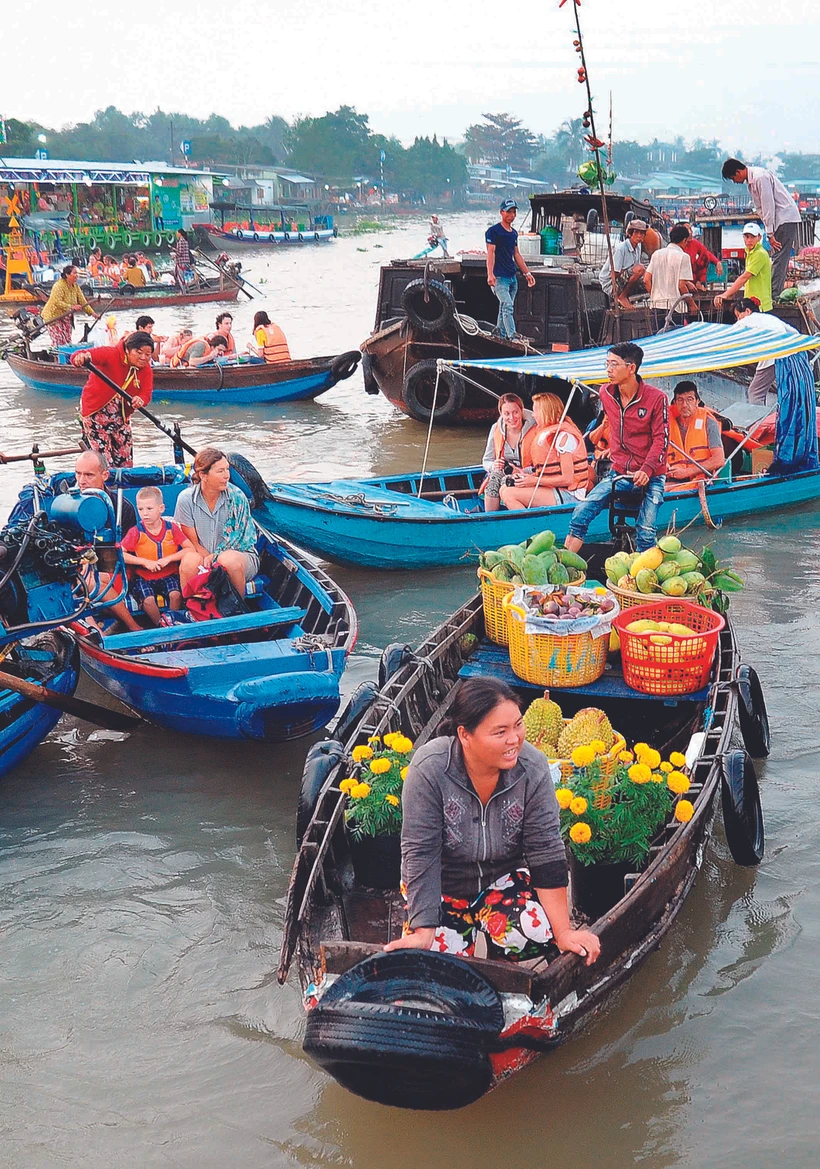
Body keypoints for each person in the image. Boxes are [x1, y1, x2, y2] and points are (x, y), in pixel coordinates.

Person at [384, 677, 600, 965]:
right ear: (465, 735)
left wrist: (563, 932)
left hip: (503, 879)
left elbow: (546, 851)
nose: (515, 740)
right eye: (500, 732)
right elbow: (420, 854)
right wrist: (424, 930)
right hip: (443, 885)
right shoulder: (430, 769)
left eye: (518, 725)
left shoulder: (532, 768)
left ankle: (502, 962)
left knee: (535, 932)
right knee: (433, 962)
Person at [564, 342, 668, 554]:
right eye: (607, 364)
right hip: (618, 473)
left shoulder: (657, 399)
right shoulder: (605, 393)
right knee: (580, 514)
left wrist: (647, 469)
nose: (608, 370)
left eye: (614, 364)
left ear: (631, 368)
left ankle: (640, 579)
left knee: (646, 533)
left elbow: (661, 441)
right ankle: (565, 567)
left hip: (652, 476)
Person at [174, 447, 259, 596]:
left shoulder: (238, 497)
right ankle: (193, 610)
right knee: (189, 562)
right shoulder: (186, 499)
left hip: (240, 555)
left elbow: (241, 541)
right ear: (203, 475)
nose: (227, 475)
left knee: (228, 560)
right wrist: (209, 558)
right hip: (203, 554)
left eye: (227, 469)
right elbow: (192, 542)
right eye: (220, 471)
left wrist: (216, 557)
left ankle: (236, 608)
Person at [73, 449, 141, 632]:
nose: (81, 481)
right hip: (80, 569)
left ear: (104, 475)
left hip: (115, 570)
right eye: (78, 474)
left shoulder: (122, 508)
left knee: (90, 581)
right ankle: (94, 631)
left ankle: (132, 626)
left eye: (88, 475)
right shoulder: (70, 505)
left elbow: (126, 552)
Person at [70, 331, 155, 468]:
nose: (143, 358)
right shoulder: (111, 354)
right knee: (105, 462)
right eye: (139, 353)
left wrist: (140, 399)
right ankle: (107, 485)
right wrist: (80, 358)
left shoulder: (146, 370)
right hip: (95, 413)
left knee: (125, 460)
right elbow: (78, 355)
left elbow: (146, 393)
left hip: (121, 416)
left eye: (148, 354)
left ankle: (124, 486)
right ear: (128, 350)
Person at [721, 158, 801, 298]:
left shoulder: (759, 178)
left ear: (738, 172)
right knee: (778, 257)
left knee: (779, 257)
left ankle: (773, 295)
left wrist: (769, 234)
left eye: (733, 178)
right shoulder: (752, 181)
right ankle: (773, 291)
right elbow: (761, 209)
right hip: (779, 219)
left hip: (784, 218)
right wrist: (768, 230)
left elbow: (768, 206)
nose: (735, 181)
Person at [499, 392, 588, 510]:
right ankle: (531, 522)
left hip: (570, 494)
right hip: (555, 488)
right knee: (504, 488)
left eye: (535, 411)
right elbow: (547, 470)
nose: (533, 416)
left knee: (509, 494)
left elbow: (568, 479)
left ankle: (531, 526)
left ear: (545, 412)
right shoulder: (548, 434)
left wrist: (535, 481)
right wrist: (524, 474)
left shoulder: (563, 437)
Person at [120, 486, 191, 626]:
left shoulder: (172, 528)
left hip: (169, 573)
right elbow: (120, 554)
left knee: (175, 595)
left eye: (149, 509)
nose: (145, 513)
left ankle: (172, 623)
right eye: (140, 509)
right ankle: (160, 626)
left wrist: (168, 559)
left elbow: (189, 549)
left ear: (161, 508)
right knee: (148, 600)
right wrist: (144, 562)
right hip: (144, 576)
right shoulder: (136, 532)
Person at [485, 198, 536, 340]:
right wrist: (490, 274)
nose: (512, 215)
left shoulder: (513, 233)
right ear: (502, 212)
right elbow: (491, 252)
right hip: (500, 278)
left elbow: (516, 253)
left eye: (514, 212)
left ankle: (500, 334)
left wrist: (527, 273)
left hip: (512, 276)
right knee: (507, 305)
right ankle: (512, 335)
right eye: (509, 212)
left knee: (504, 307)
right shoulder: (493, 231)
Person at [733, 296, 798, 404]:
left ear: (747, 311)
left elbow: (732, 332)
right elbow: (794, 332)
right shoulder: (769, 318)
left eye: (739, 315)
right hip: (791, 354)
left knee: (755, 392)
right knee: (788, 391)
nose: (738, 319)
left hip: (774, 355)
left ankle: (759, 419)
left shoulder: (748, 319)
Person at [480, 393, 538, 512]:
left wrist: (520, 471)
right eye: (506, 414)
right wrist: (493, 465)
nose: (511, 418)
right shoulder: (495, 429)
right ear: (501, 414)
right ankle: (490, 518)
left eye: (515, 412)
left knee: (507, 481)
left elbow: (542, 464)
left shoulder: (536, 429)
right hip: (502, 471)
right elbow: (486, 460)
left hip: (529, 473)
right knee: (495, 479)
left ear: (521, 411)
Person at [665, 382, 726, 488]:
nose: (684, 405)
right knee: (654, 491)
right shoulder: (665, 424)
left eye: (689, 399)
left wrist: (687, 472)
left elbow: (719, 459)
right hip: (673, 479)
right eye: (680, 400)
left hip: (702, 479)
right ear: (674, 403)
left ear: (697, 402)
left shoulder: (709, 422)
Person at [714, 223, 772, 313]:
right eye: (747, 237)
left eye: (752, 237)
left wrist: (726, 294)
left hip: (761, 304)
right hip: (751, 302)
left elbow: (744, 277)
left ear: (759, 237)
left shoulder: (760, 253)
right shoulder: (750, 252)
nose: (749, 240)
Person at [644, 224, 696, 312]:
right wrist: (692, 304)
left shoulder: (656, 254)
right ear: (684, 240)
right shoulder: (683, 257)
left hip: (656, 307)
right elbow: (681, 285)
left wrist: (654, 296)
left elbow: (646, 280)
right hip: (675, 308)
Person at [41, 264, 95, 347]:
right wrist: (71, 307)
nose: (77, 275)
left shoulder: (75, 286)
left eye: (77, 273)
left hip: (66, 317)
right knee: (58, 341)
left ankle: (66, 357)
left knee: (67, 341)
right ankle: (57, 358)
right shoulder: (59, 286)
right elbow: (57, 302)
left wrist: (93, 314)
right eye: (75, 273)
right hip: (53, 317)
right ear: (67, 275)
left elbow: (82, 302)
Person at [599, 219, 648, 307]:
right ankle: (622, 296)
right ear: (630, 233)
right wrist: (630, 271)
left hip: (623, 277)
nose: (640, 236)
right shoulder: (621, 248)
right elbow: (613, 274)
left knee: (647, 276)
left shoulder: (638, 247)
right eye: (637, 233)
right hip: (610, 282)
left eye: (642, 233)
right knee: (640, 269)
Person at [678, 223, 723, 288]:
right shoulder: (676, 248)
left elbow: (706, 253)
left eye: (690, 229)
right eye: (687, 230)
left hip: (695, 281)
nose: (690, 232)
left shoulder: (694, 243)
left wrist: (717, 262)